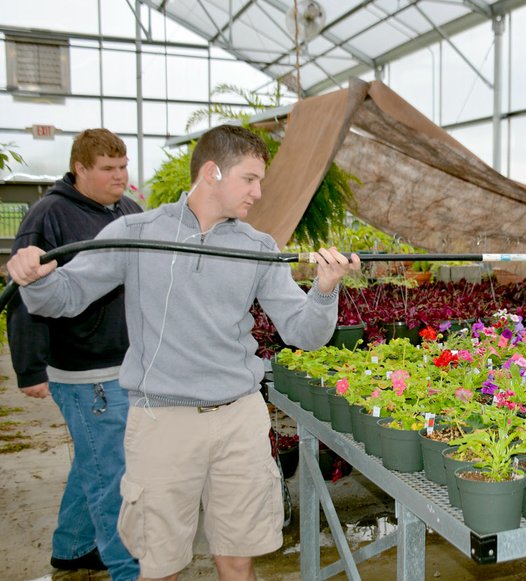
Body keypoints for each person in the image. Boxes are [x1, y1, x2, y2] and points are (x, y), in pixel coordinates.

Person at [7, 124, 361, 581]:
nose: (258, 191)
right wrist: (36, 276)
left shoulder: (257, 247)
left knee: (238, 559)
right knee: (161, 563)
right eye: (249, 179)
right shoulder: (136, 232)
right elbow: (65, 297)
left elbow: (303, 332)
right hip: (162, 421)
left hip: (239, 419)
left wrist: (325, 290)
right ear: (212, 172)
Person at [6, 128, 141, 580]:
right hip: (85, 371)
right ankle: (128, 568)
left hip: (123, 362)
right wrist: (29, 369)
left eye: (123, 167)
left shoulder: (127, 212)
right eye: (108, 169)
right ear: (79, 169)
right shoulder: (50, 215)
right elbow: (23, 296)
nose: (120, 176)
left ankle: (72, 548)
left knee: (95, 460)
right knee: (114, 479)